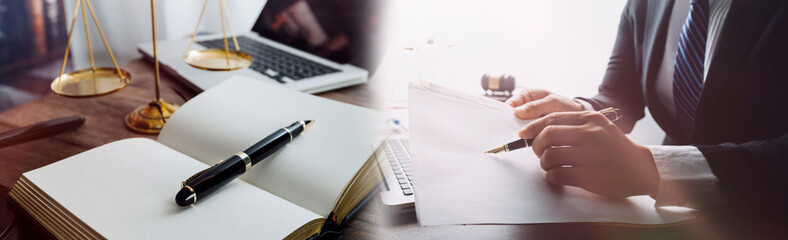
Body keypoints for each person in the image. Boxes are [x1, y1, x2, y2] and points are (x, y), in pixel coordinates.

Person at [505, 0, 787, 232]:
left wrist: (655, 169)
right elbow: (619, 97)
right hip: (670, 221)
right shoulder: (645, 4)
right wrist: (580, 111)